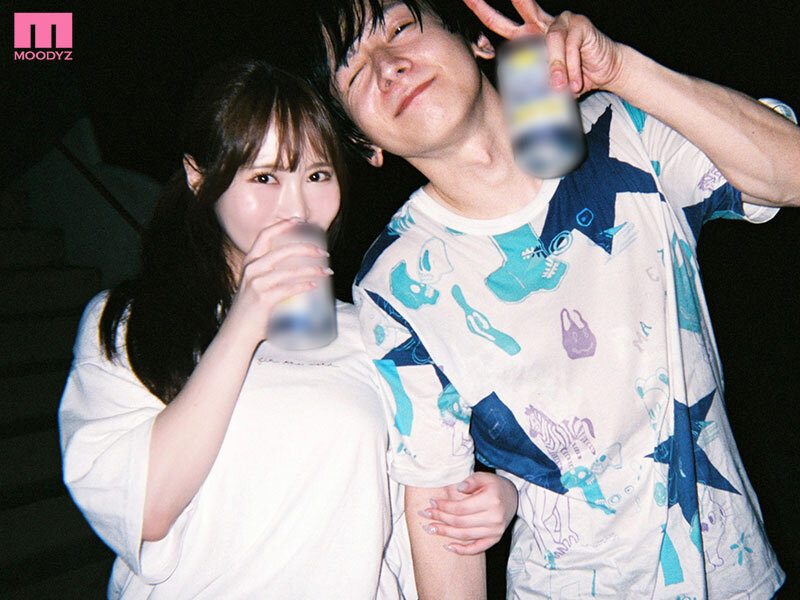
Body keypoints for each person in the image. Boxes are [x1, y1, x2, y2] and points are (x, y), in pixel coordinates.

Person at [309, 0, 800, 598]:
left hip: (737, 576)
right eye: (356, 72)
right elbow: (441, 506)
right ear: (365, 143)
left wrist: (622, 68)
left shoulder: (622, 133)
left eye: (400, 28)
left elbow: (789, 171)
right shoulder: (394, 283)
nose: (388, 66)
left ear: (478, 41)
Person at [58, 59, 518, 599]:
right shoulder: (132, 323)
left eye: (317, 175)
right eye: (265, 177)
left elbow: (429, 487)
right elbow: (143, 511)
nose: (298, 206)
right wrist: (243, 324)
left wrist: (496, 496)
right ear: (199, 177)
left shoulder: (377, 330)